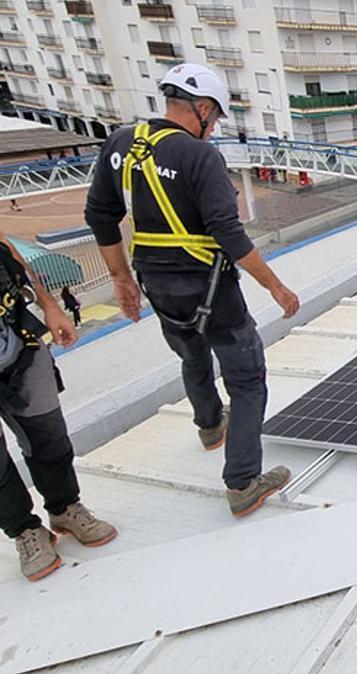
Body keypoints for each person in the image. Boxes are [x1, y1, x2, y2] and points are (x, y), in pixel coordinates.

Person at [84, 63, 300, 518]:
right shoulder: (200, 157)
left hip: (155, 284)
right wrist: (277, 287)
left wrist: (120, 279)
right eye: (216, 117)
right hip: (210, 290)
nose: (214, 126)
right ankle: (243, 481)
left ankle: (208, 426)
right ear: (202, 108)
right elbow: (229, 234)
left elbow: (100, 215)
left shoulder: (121, 144)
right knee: (246, 379)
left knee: (191, 355)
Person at [0, 235, 117, 581]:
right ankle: (25, 531)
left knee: (48, 434)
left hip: (19, 348)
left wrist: (49, 305)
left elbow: (8, 251)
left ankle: (65, 509)